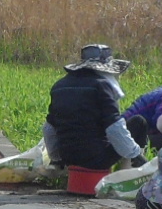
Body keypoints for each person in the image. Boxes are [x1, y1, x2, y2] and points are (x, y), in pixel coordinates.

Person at [44, 43, 145, 196]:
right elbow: (114, 128)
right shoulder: (101, 86)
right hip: (96, 159)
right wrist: (136, 155)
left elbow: (49, 128)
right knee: (138, 123)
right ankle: (126, 175)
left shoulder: (59, 86)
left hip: (68, 156)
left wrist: (56, 159)